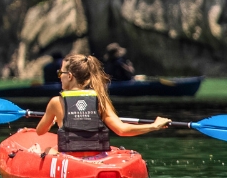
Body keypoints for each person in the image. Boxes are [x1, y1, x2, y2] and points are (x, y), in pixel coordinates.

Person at [35, 53, 169, 156]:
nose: (59, 77)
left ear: (69, 76)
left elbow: (40, 131)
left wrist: (52, 119)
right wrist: (154, 125)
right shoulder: (100, 100)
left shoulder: (55, 102)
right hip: (97, 160)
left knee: (46, 149)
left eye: (60, 73)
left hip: (71, 160)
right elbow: (122, 130)